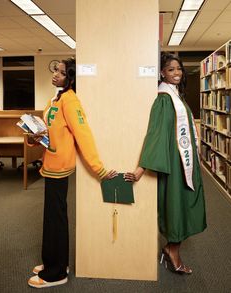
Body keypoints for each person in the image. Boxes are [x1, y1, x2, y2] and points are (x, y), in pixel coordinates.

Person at [27, 58, 117, 288]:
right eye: (56, 70)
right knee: (53, 218)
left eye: (62, 73)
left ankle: (56, 274)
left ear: (71, 79)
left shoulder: (70, 100)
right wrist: (34, 137)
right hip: (50, 164)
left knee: (55, 219)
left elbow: (83, 135)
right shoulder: (55, 99)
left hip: (60, 167)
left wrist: (99, 169)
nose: (56, 74)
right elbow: (51, 131)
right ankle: (56, 263)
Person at [124, 53, 207, 274]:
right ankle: (173, 252)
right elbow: (156, 134)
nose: (177, 73)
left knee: (184, 204)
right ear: (162, 73)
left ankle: (171, 248)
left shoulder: (176, 96)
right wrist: (141, 168)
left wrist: (196, 151)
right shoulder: (163, 99)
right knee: (177, 207)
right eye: (171, 69)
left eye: (179, 68)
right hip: (175, 164)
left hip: (184, 161)